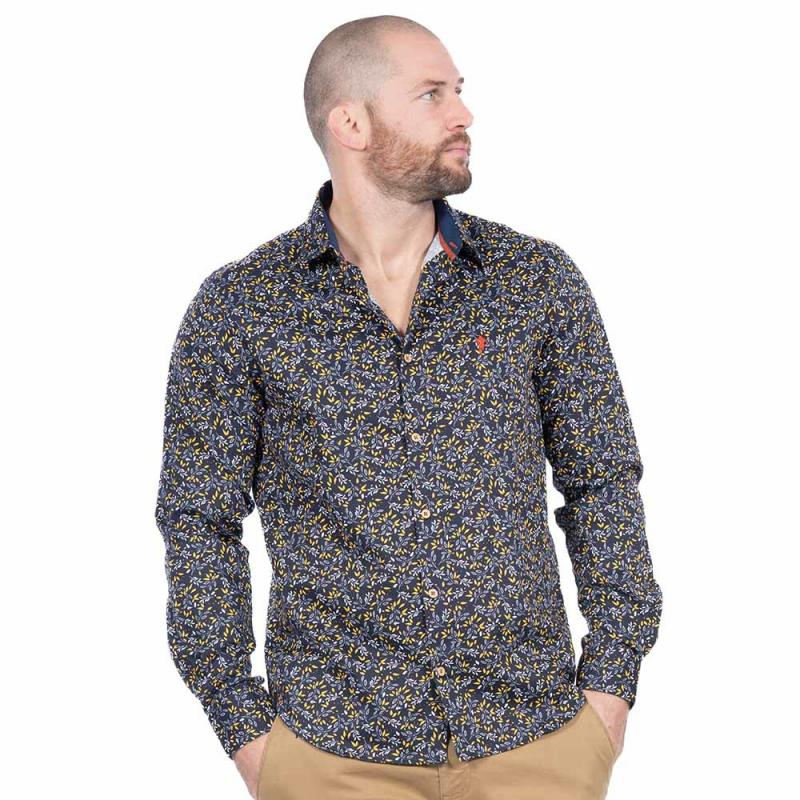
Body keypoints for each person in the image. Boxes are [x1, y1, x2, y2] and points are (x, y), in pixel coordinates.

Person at [154, 14, 663, 800]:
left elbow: (602, 482)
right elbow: (199, 519)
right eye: (432, 95)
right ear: (350, 124)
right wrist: (246, 730)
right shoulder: (242, 308)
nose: (463, 114)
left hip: (538, 738)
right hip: (331, 753)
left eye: (458, 91)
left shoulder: (534, 281)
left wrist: (610, 691)